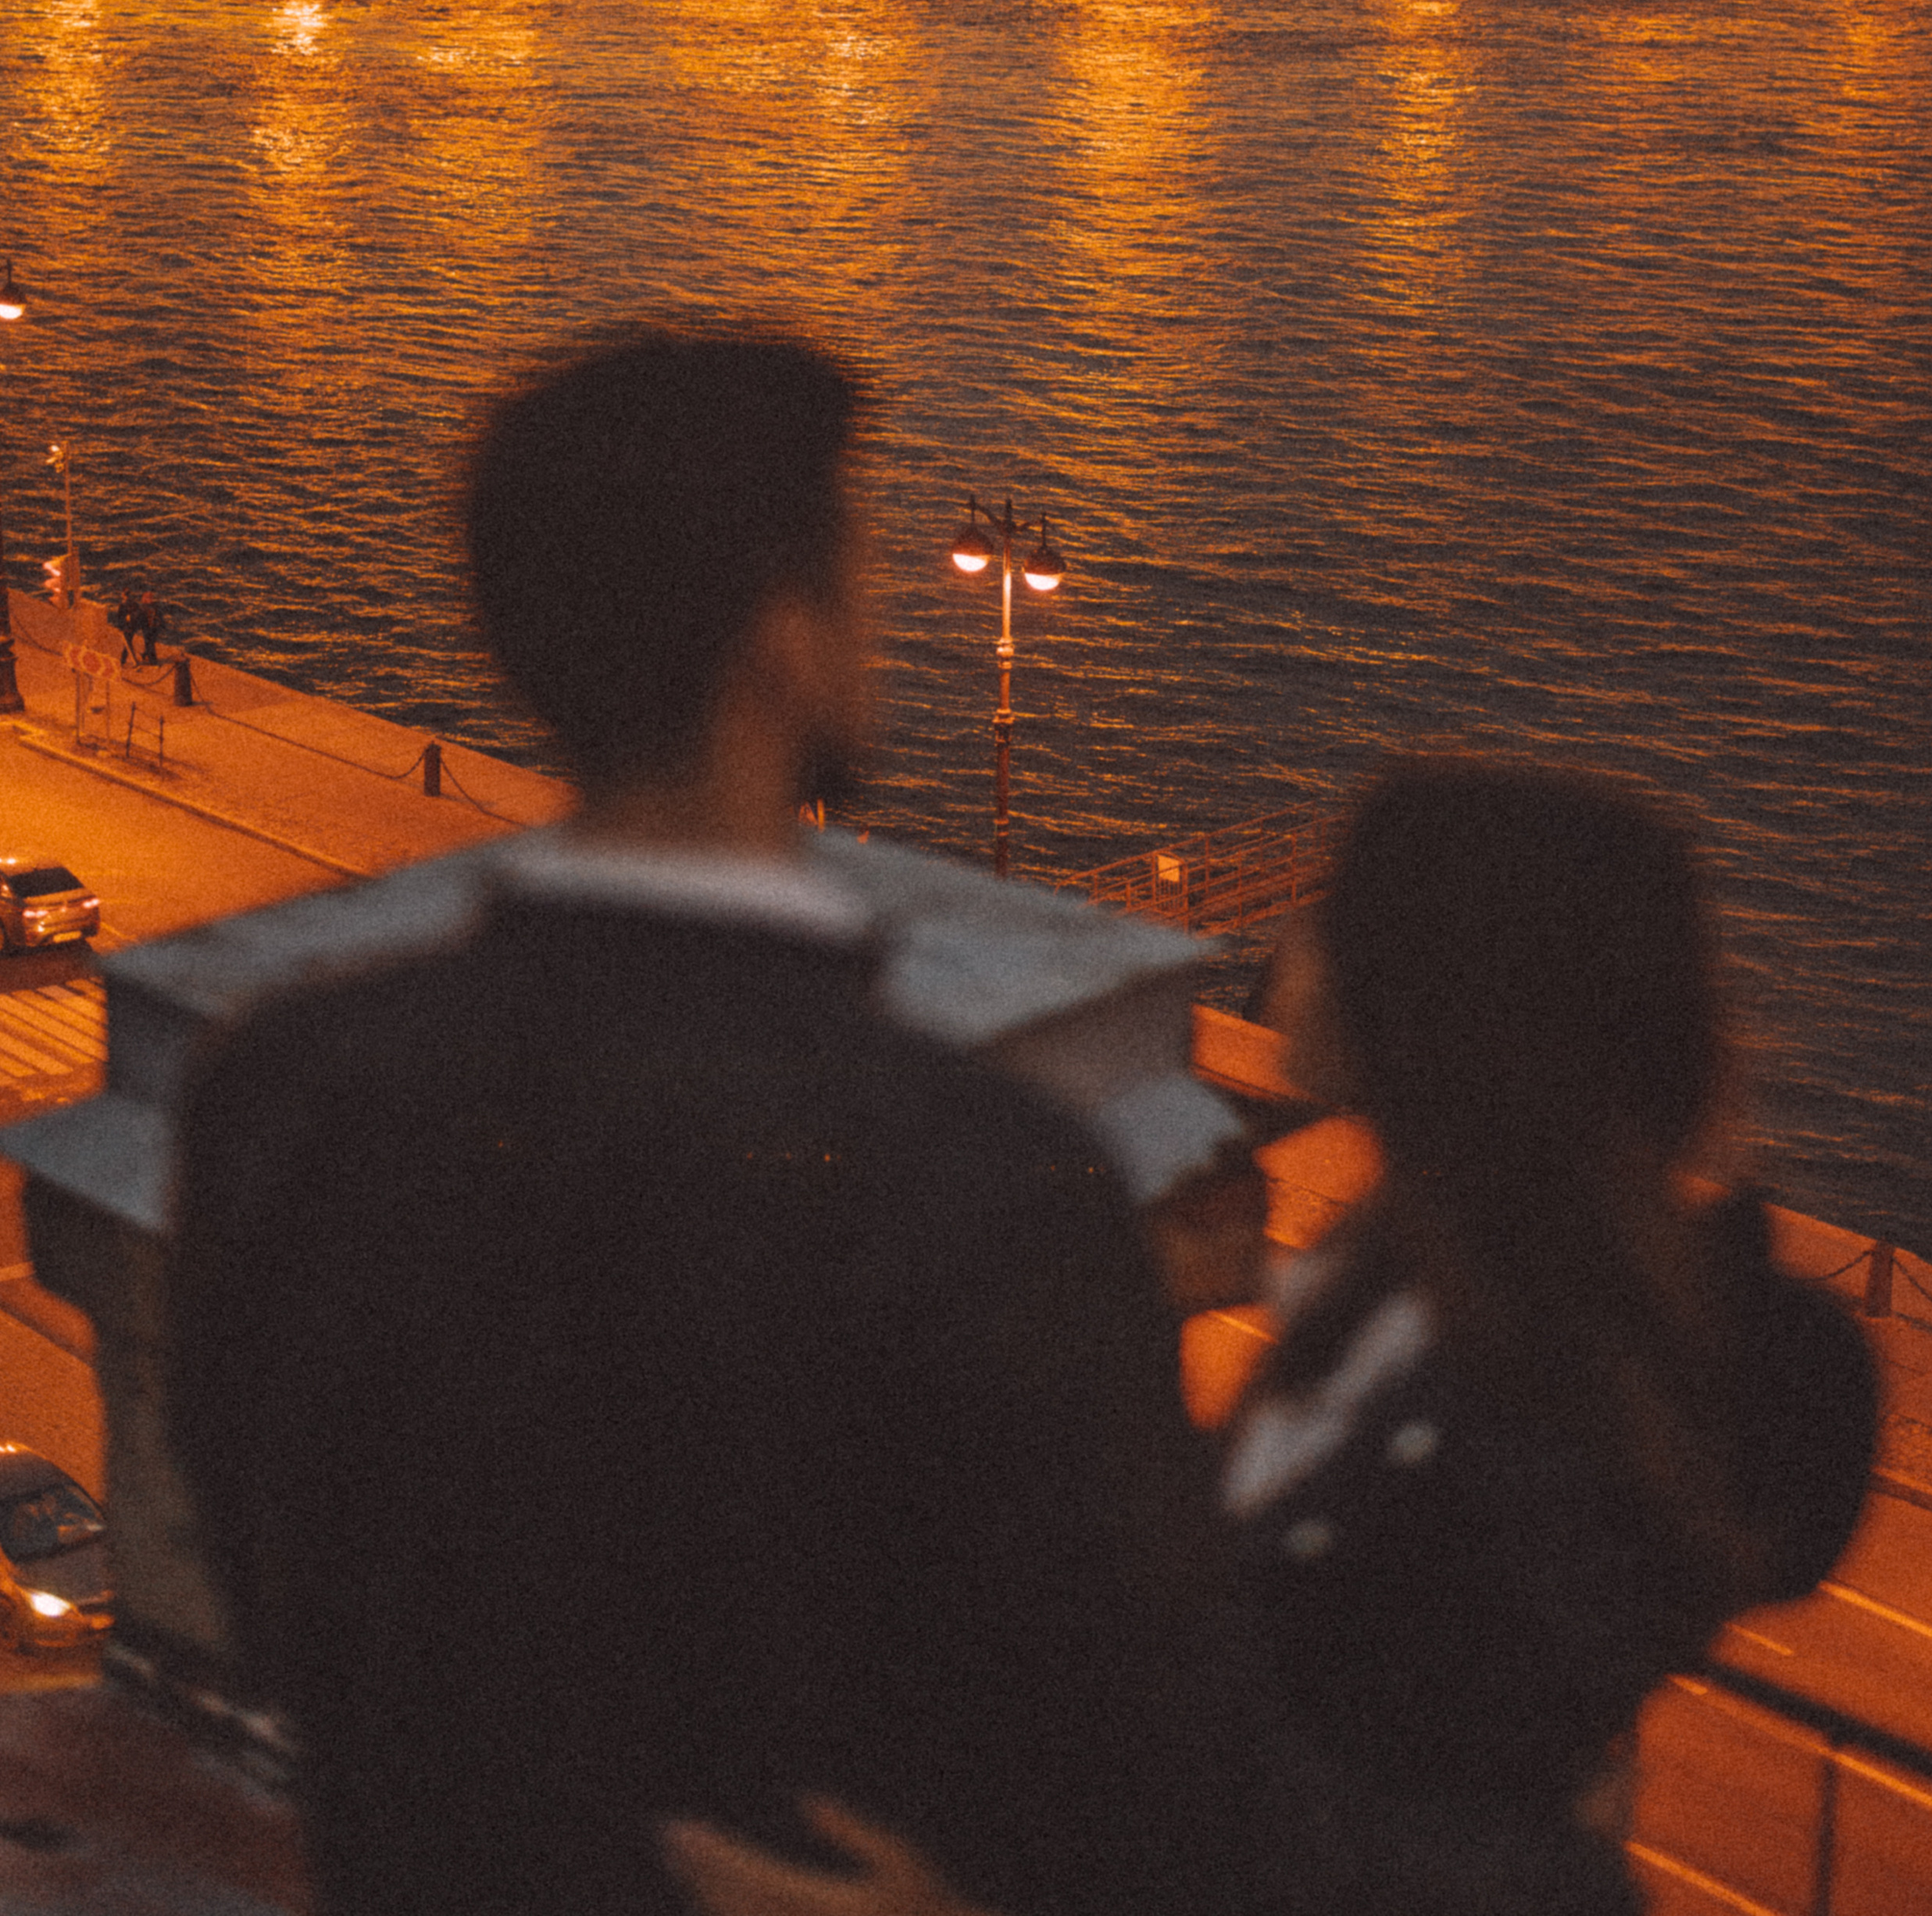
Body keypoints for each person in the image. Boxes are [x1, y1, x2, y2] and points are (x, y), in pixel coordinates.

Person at [165, 326, 1274, 1916]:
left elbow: (276, 1603)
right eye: (863, 578)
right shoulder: (977, 1177)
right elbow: (1154, 1771)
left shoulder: (283, 1091)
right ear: (779, 641)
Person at [659, 756, 1878, 1916]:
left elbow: (1442, 1848)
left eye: (1334, 913)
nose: (1297, 949)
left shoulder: (1538, 1393)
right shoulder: (1399, 1277)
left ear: (1438, 991)